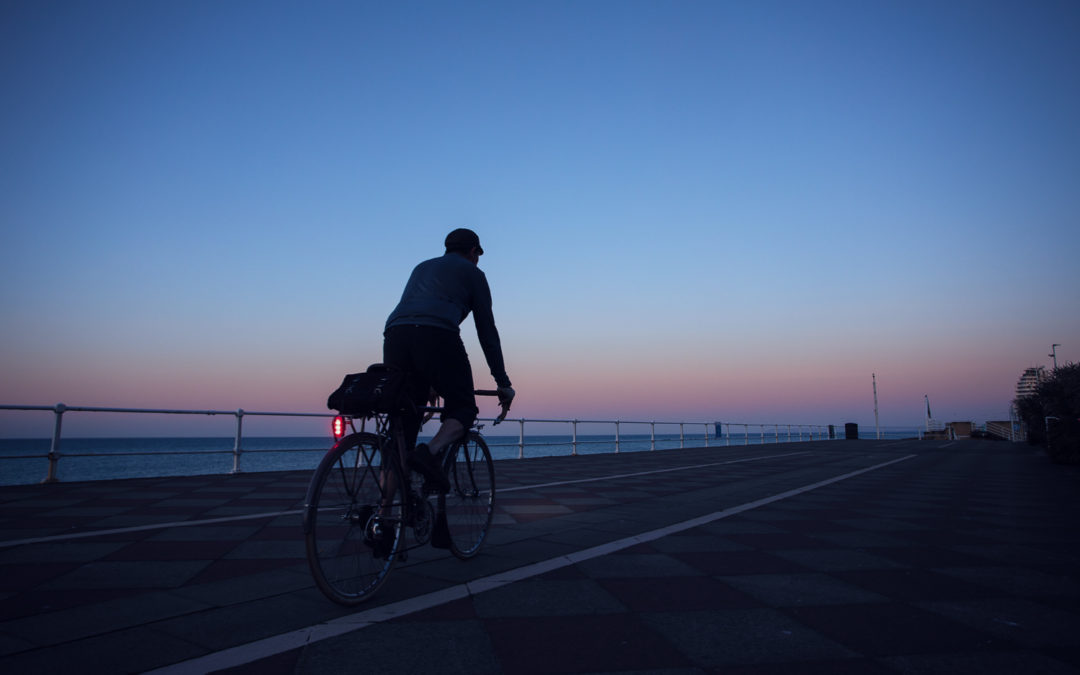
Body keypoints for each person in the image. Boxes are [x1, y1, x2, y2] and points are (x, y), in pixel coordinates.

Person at [383, 228, 514, 492]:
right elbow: (487, 331)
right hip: (436, 333)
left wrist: (429, 378)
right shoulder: (474, 273)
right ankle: (428, 453)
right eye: (478, 255)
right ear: (474, 252)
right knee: (463, 409)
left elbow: (415, 316)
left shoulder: (421, 267)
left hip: (395, 334)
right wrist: (502, 381)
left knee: (404, 422)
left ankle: (384, 518)